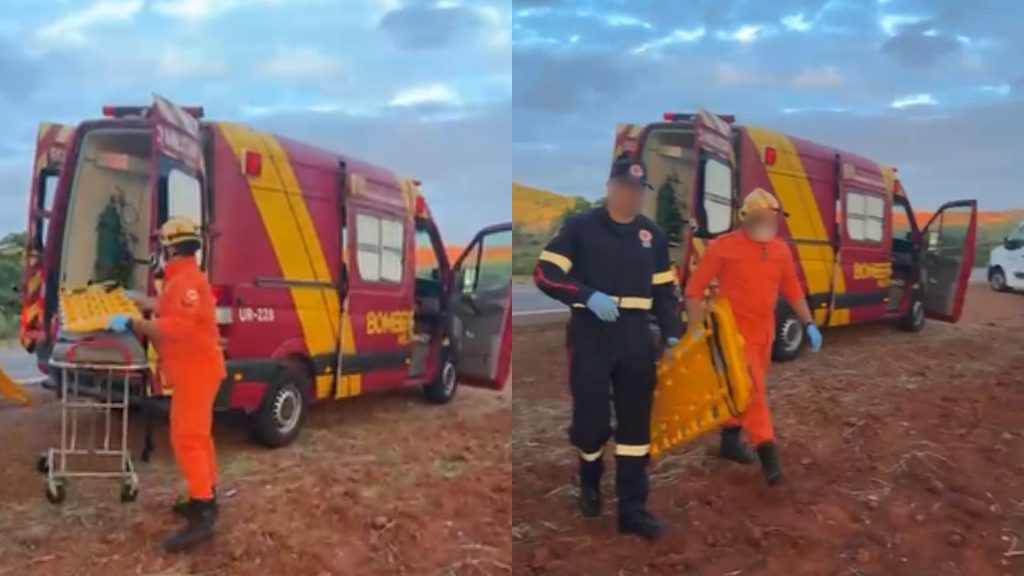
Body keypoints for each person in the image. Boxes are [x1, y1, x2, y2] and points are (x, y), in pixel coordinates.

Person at [534, 159, 682, 540]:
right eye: (624, 187)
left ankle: (632, 508)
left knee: (636, 427)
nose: (631, 195)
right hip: (591, 335)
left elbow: (665, 291)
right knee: (592, 423)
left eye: (637, 190)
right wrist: (586, 295)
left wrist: (671, 332)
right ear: (610, 186)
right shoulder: (581, 227)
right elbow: (545, 273)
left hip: (635, 337)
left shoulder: (652, 235)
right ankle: (589, 478)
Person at [683, 188, 822, 486]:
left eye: (772, 219)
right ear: (746, 218)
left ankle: (730, 442)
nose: (767, 224)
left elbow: (793, 289)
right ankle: (768, 452)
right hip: (733, 336)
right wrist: (696, 335)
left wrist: (809, 322)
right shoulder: (724, 248)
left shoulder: (781, 250)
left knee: (745, 391)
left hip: (765, 334)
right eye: (761, 218)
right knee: (753, 391)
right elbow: (694, 291)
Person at [107, 217, 226, 553]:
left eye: (163, 245)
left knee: (188, 438)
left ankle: (203, 511)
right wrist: (137, 302)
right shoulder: (182, 280)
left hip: (197, 371)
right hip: (195, 371)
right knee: (197, 436)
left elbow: (178, 326)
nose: (160, 250)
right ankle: (206, 494)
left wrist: (134, 323)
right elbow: (167, 308)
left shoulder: (187, 281)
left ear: (172, 247)